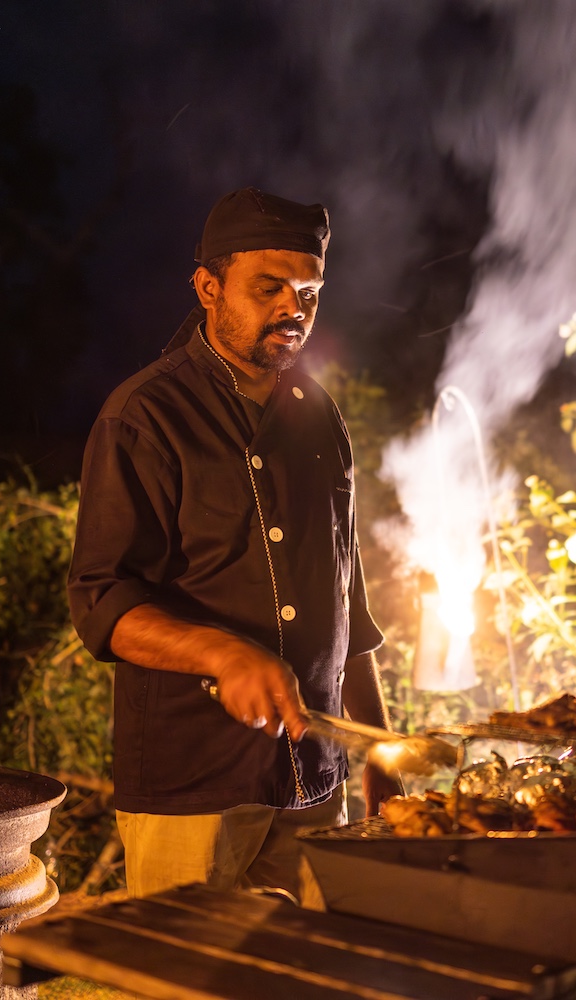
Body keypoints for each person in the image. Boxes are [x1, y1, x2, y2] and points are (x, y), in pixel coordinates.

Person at [67, 187, 402, 907]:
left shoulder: (319, 419)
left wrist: (380, 752)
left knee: (315, 985)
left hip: (316, 780)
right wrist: (221, 652)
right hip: (194, 789)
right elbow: (102, 599)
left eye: (308, 292)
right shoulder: (145, 416)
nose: (293, 308)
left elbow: (349, 603)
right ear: (209, 287)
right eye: (269, 287)